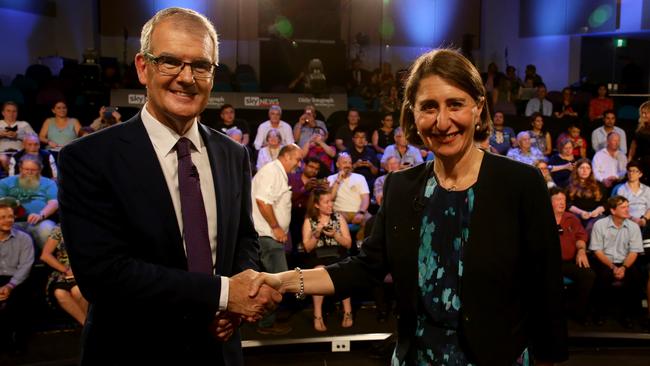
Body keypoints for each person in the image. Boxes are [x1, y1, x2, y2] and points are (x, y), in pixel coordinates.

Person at [252, 49, 568, 366]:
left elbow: (546, 288)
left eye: (455, 104)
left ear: (478, 107)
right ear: (413, 116)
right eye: (428, 108)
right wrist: (283, 280)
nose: (442, 122)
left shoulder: (521, 183)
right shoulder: (400, 187)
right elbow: (364, 268)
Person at [57, 7, 280, 365]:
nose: (186, 77)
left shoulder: (232, 153)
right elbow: (104, 275)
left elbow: (243, 238)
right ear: (143, 68)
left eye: (201, 66)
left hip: (219, 351)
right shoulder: (87, 159)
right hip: (133, 351)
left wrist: (239, 302)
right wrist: (223, 295)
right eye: (170, 62)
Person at [251, 144, 302, 335]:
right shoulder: (271, 171)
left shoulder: (278, 173)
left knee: (271, 280)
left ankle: (266, 319)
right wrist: (276, 227)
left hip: (270, 236)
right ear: (287, 156)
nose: (299, 164)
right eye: (297, 159)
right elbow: (262, 201)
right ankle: (266, 323)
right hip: (267, 236)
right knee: (278, 281)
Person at [302, 188, 353, 331]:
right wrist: (317, 233)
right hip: (318, 256)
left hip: (338, 254)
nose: (330, 204)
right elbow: (307, 247)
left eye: (331, 201)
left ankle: (348, 312)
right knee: (319, 272)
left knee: (344, 269)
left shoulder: (338, 218)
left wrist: (336, 235)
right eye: (326, 202)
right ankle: (318, 315)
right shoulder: (309, 220)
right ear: (317, 205)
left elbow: (348, 243)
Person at [589, 196, 644, 328]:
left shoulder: (633, 227)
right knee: (601, 276)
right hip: (605, 261)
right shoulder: (599, 225)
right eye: (623, 207)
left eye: (628, 206)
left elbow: (634, 252)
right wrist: (613, 267)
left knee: (636, 276)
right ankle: (598, 314)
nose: (627, 210)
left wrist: (624, 267)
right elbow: (597, 251)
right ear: (613, 211)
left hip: (625, 262)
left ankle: (629, 316)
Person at [549, 187, 595, 325]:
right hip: (548, 263)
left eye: (563, 199)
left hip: (567, 262)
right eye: (558, 199)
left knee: (589, 275)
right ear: (549, 202)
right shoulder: (541, 218)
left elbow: (581, 237)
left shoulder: (571, 218)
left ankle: (578, 312)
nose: (562, 202)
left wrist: (581, 250)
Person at [0, 155, 58, 249]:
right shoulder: (5, 182)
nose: (29, 173)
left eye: (33, 170)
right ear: (20, 168)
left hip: (40, 221)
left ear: (40, 169)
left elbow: (54, 203)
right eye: (26, 169)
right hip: (13, 222)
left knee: (48, 229)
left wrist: (41, 215)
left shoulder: (49, 183)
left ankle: (47, 260)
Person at [0, 203, 34, 351]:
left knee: (18, 300)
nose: (8, 220)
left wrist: (10, 285)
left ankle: (16, 340)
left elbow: (26, 266)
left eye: (10, 216)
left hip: (16, 278)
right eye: (2, 217)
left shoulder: (24, 238)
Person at [40, 226, 89, 325]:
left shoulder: (90, 226)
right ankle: (87, 326)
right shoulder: (59, 229)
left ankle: (91, 328)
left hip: (86, 268)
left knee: (77, 291)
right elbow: (45, 255)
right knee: (60, 293)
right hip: (63, 270)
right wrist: (66, 270)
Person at [612, 161, 650, 238]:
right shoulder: (621, 189)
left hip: (645, 219)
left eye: (635, 171)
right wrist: (633, 219)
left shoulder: (647, 189)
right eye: (630, 170)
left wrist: (644, 219)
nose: (631, 173)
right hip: (628, 219)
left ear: (640, 174)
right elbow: (620, 209)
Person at [567, 159, 606, 232]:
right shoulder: (570, 185)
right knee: (573, 222)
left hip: (595, 215)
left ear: (591, 170)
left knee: (595, 225)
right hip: (577, 214)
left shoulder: (599, 185)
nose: (585, 170)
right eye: (582, 168)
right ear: (577, 170)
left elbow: (605, 204)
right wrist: (581, 212)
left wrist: (596, 211)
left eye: (587, 168)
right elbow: (568, 204)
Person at [0, 101, 36, 171]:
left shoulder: (24, 124)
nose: (11, 114)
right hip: (2, 152)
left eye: (14, 111)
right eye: (8, 111)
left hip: (19, 152)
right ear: (3, 113)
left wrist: (18, 135)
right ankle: (12, 177)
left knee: (24, 160)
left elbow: (35, 138)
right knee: (3, 158)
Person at [627, 100, 650, 185]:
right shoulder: (638, 129)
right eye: (642, 113)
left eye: (646, 113)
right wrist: (629, 161)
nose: (643, 115)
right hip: (641, 162)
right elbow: (633, 148)